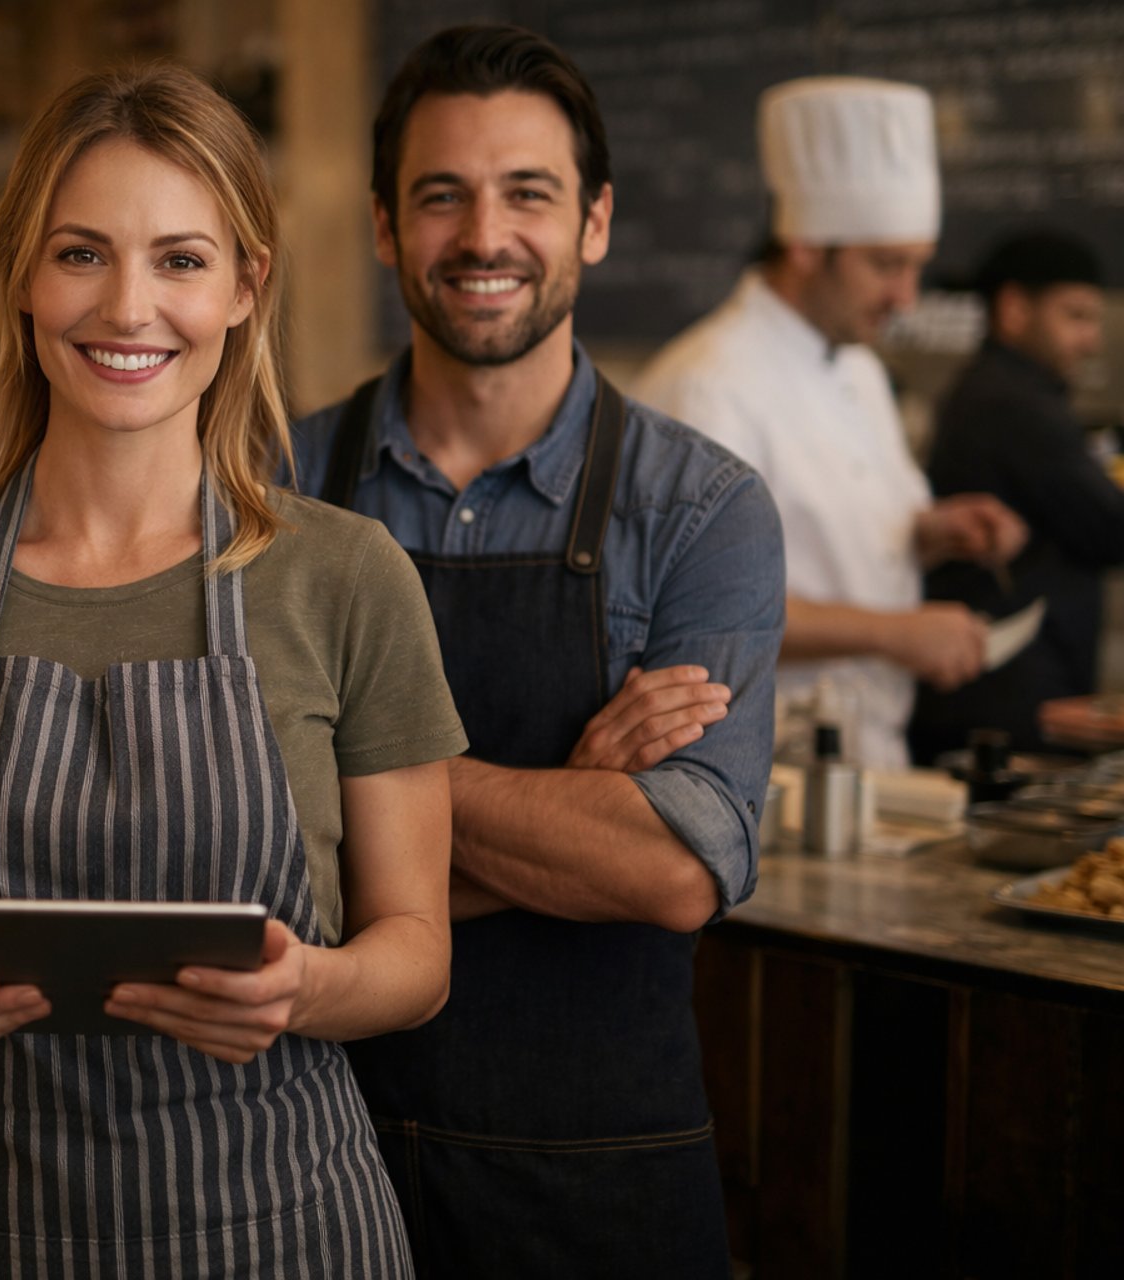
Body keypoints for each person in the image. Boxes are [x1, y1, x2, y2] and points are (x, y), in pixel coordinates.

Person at [0, 64, 468, 1276]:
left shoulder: (347, 578)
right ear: (22, 278)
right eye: (82, 254)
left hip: (281, 1232)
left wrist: (305, 989)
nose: (127, 307)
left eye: (181, 260)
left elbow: (416, 952)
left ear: (246, 286)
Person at [289, 25, 783, 1278]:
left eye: (528, 193)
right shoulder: (269, 486)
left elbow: (676, 867)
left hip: (600, 1182)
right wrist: (573, 797)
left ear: (594, 221)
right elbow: (229, 850)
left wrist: (354, 789)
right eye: (440, 195)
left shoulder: (703, 509)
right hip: (303, 1159)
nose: (484, 235)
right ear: (386, 226)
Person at [635, 76, 1028, 770]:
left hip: (871, 757)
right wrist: (895, 633)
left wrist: (929, 533)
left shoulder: (859, 368)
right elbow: (702, 607)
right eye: (886, 266)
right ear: (806, 246)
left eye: (916, 267)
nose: (906, 299)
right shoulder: (709, 384)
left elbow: (834, 539)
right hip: (759, 774)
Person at [910, 230, 1118, 759]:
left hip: (1004, 684)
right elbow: (1110, 528)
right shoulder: (1010, 403)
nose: (1091, 340)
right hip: (1001, 700)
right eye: (1075, 316)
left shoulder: (1005, 391)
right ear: (1014, 309)